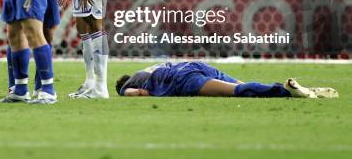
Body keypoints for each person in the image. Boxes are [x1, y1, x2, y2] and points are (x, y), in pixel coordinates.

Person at [116, 61, 338, 99]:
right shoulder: (145, 69)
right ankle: (301, 90)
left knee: (234, 92)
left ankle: (286, 90)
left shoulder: (128, 84)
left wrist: (127, 94)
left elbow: (136, 93)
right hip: (193, 66)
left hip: (183, 80)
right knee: (241, 85)